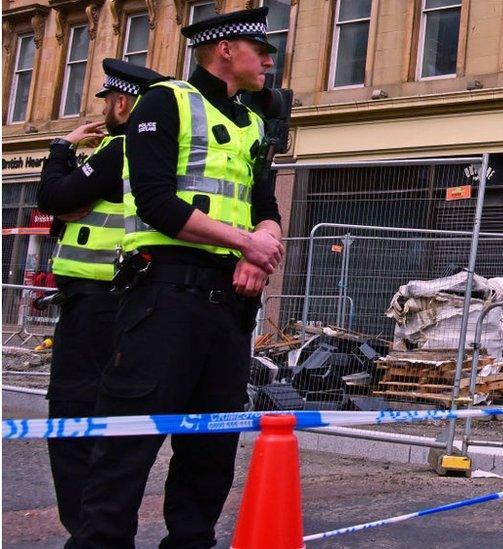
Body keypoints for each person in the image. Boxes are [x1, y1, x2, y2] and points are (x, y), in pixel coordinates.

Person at [76, 7, 284, 548]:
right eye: (258, 50)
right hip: (164, 294)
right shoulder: (165, 102)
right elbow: (154, 203)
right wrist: (243, 242)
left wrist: (255, 254)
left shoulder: (254, 124)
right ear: (224, 51)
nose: (268, 60)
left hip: (229, 305)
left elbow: (266, 207)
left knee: (210, 450)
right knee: (128, 444)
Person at [36, 58, 163, 542]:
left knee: (72, 417)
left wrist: (62, 147)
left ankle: (89, 534)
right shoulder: (153, 150)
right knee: (112, 420)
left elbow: (52, 197)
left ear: (123, 103)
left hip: (95, 301)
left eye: (108, 102)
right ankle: (102, 531)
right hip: (127, 299)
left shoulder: (119, 149)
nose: (105, 111)